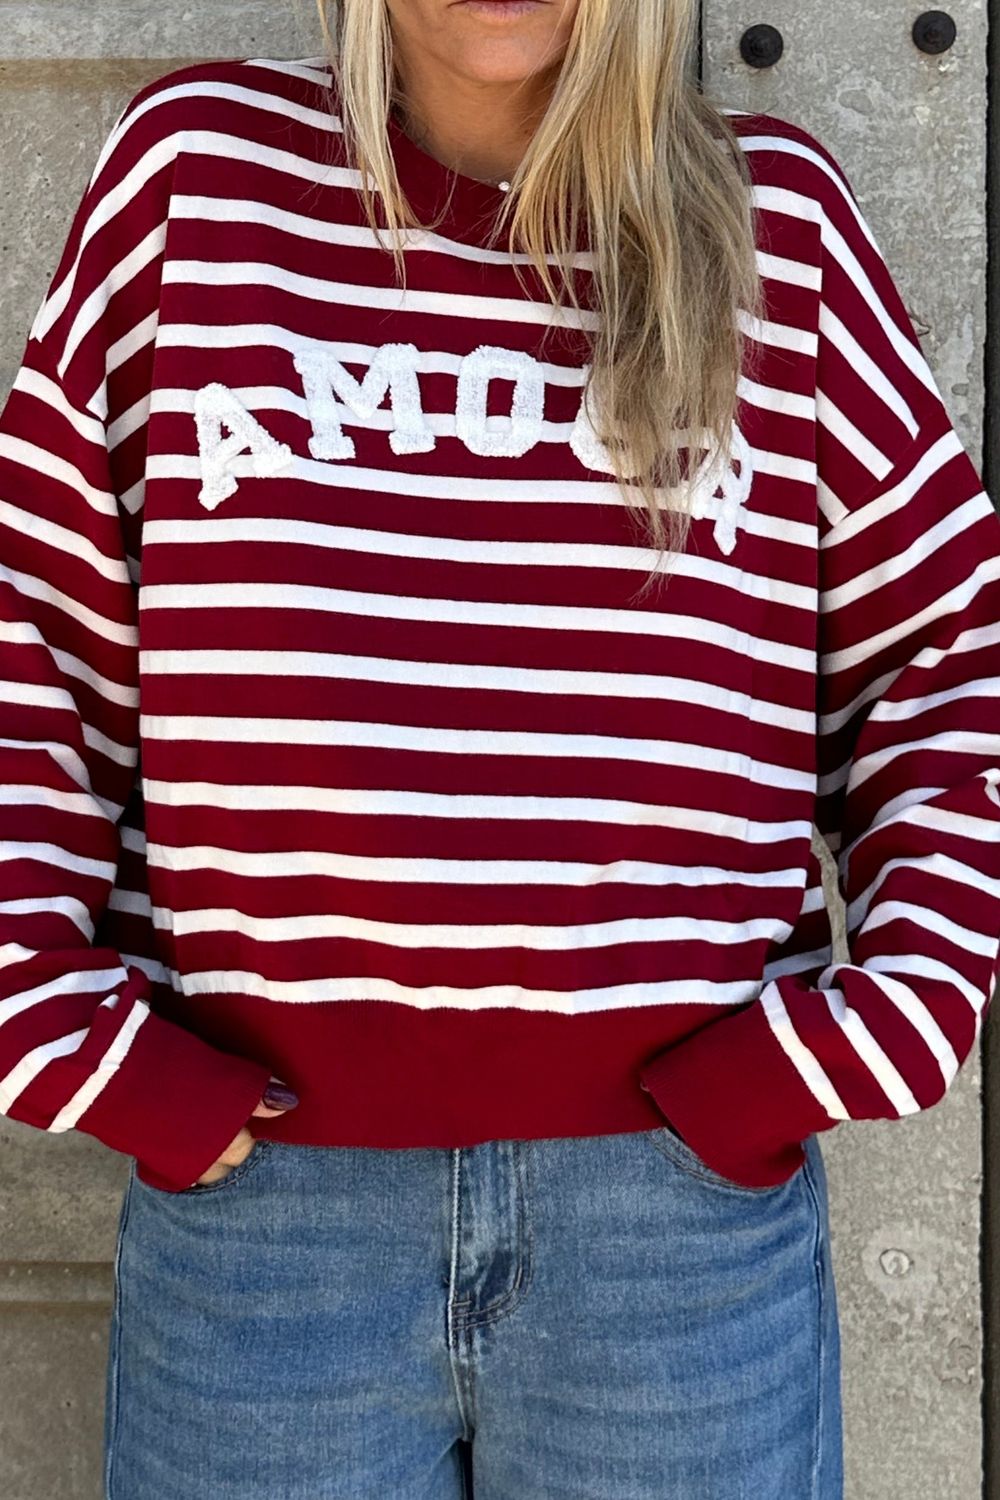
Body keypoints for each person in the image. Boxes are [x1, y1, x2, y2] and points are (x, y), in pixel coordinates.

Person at [0, 0, 997, 1495]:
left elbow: (944, 665)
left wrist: (867, 1035)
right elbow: (35, 645)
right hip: (266, 1227)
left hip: (676, 1237)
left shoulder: (777, 233)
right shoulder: (193, 190)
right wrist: (78, 1046)